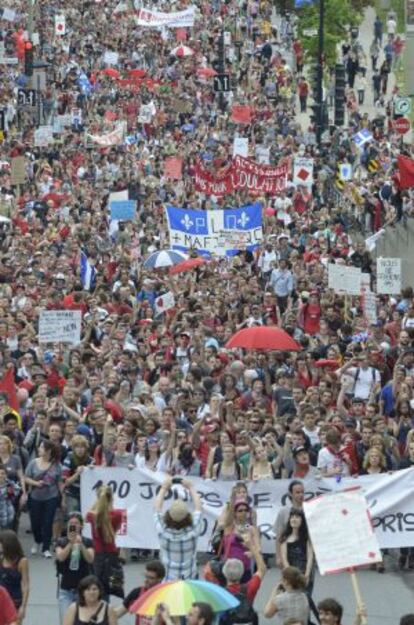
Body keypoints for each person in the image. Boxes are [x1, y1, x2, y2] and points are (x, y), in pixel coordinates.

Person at [154, 476, 202, 580]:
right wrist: (191, 487)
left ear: (168, 515)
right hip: (190, 578)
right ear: (188, 516)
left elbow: (157, 509)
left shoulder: (162, 530)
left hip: (168, 580)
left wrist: (163, 488)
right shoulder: (194, 530)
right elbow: (198, 507)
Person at [24, 440, 62, 558]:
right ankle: (37, 540)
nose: (39, 449)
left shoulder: (56, 465)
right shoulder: (33, 463)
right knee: (35, 523)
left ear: (48, 451)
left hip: (51, 497)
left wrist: (63, 497)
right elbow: (26, 478)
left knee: (48, 522)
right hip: (35, 497)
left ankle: (46, 548)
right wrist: (35, 483)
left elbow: (59, 482)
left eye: (41, 447)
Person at [55, 513, 95, 624]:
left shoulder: (87, 542)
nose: (73, 525)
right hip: (66, 590)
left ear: (81, 526)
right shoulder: (61, 541)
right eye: (71, 523)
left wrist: (80, 544)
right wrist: (71, 543)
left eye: (76, 523)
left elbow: (90, 558)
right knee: (66, 621)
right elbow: (60, 557)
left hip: (83, 590)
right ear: (67, 525)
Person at [86, 486, 124, 600]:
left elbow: (89, 516)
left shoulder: (91, 515)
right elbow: (115, 530)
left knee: (97, 583)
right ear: (111, 497)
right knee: (111, 582)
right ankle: (106, 607)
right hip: (111, 553)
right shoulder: (118, 514)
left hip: (97, 554)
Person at [221, 534, 266, 625]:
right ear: (242, 573)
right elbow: (262, 568)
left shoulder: (219, 592)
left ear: (224, 573)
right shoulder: (249, 588)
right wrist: (251, 547)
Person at [279, 510, 314, 594]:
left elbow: (310, 557)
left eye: (297, 517)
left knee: (305, 598)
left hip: (305, 572)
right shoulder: (285, 537)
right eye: (292, 517)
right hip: (290, 574)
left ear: (302, 520)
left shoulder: (307, 537)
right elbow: (284, 559)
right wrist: (290, 575)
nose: (294, 519)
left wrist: (307, 575)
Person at [0, 530, 29, 623]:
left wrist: (23, 606)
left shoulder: (22, 561)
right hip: (2, 599)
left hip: (15, 601)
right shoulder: (1, 558)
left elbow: (25, 585)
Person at [274, 481, 305, 567]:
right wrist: (278, 556)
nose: (301, 495)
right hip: (288, 554)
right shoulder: (283, 512)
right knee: (290, 579)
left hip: (305, 552)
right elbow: (279, 536)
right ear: (290, 494)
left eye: (302, 492)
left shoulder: (309, 510)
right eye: (297, 492)